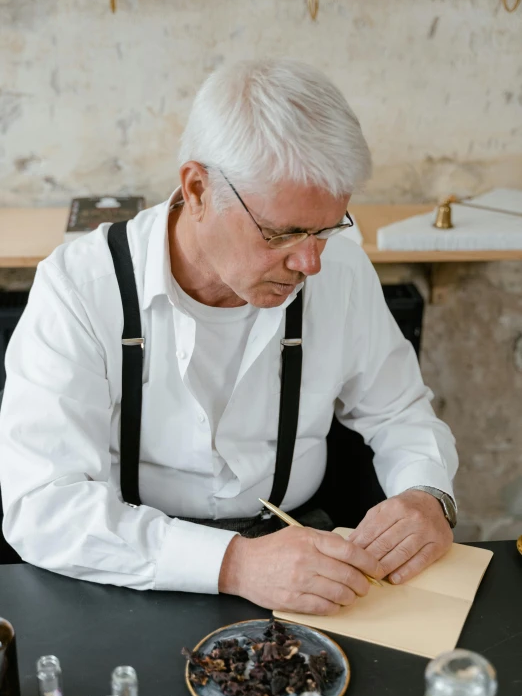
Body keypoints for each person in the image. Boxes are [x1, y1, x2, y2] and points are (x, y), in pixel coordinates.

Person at [0, 59, 458, 614]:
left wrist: (426, 493)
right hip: (124, 567)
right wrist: (235, 563)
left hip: (304, 553)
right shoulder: (78, 289)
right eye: (283, 232)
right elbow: (44, 506)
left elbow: (400, 413)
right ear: (197, 189)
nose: (309, 262)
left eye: (327, 229)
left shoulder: (341, 272)